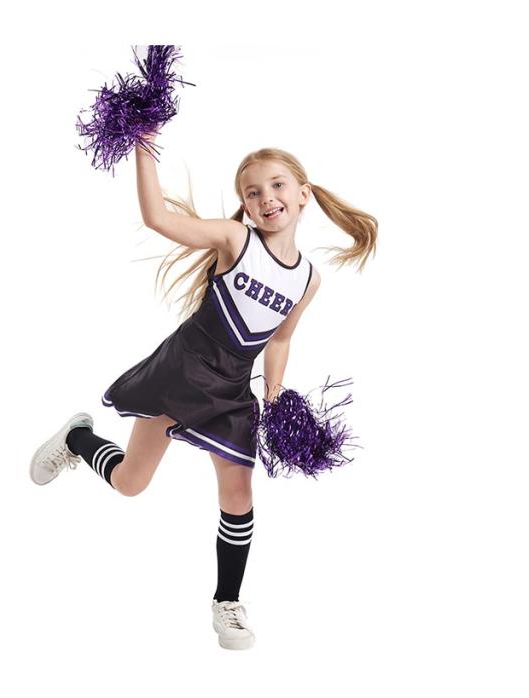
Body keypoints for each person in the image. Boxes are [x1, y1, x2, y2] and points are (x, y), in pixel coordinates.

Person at [29, 129, 378, 650]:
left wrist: (275, 396)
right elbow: (158, 218)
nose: (266, 198)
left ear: (303, 193)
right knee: (130, 483)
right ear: (246, 206)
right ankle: (77, 437)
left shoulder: (308, 279)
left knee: (238, 494)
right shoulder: (236, 240)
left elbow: (280, 338)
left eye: (277, 185)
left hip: (233, 390)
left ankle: (227, 603)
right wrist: (141, 143)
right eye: (253, 192)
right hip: (183, 373)